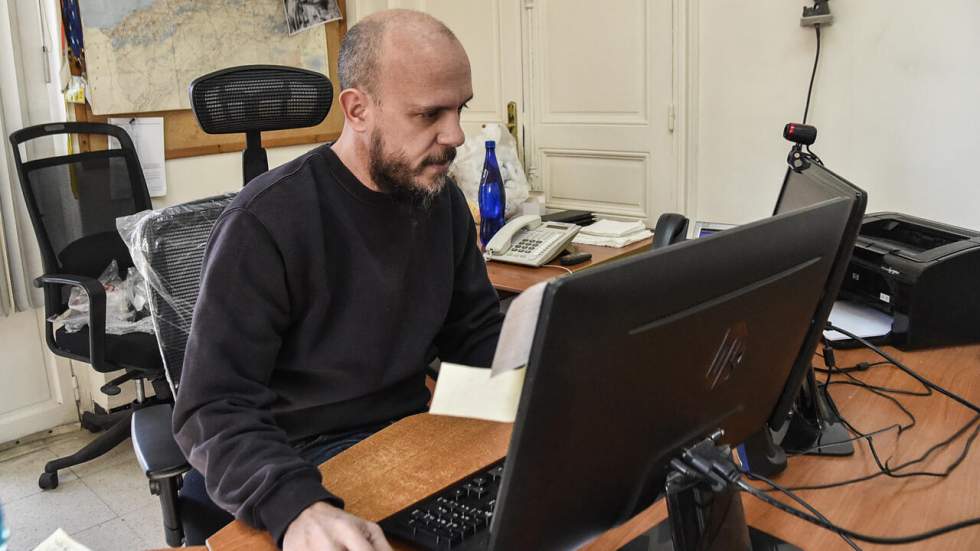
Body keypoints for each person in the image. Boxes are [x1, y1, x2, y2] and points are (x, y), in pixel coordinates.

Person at [172, 9, 504, 550]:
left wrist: (543, 372)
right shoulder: (264, 223)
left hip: (405, 442)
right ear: (357, 109)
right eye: (429, 115)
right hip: (294, 459)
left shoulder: (437, 200)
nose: (456, 135)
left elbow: (472, 332)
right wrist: (296, 508)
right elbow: (211, 408)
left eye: (459, 109)